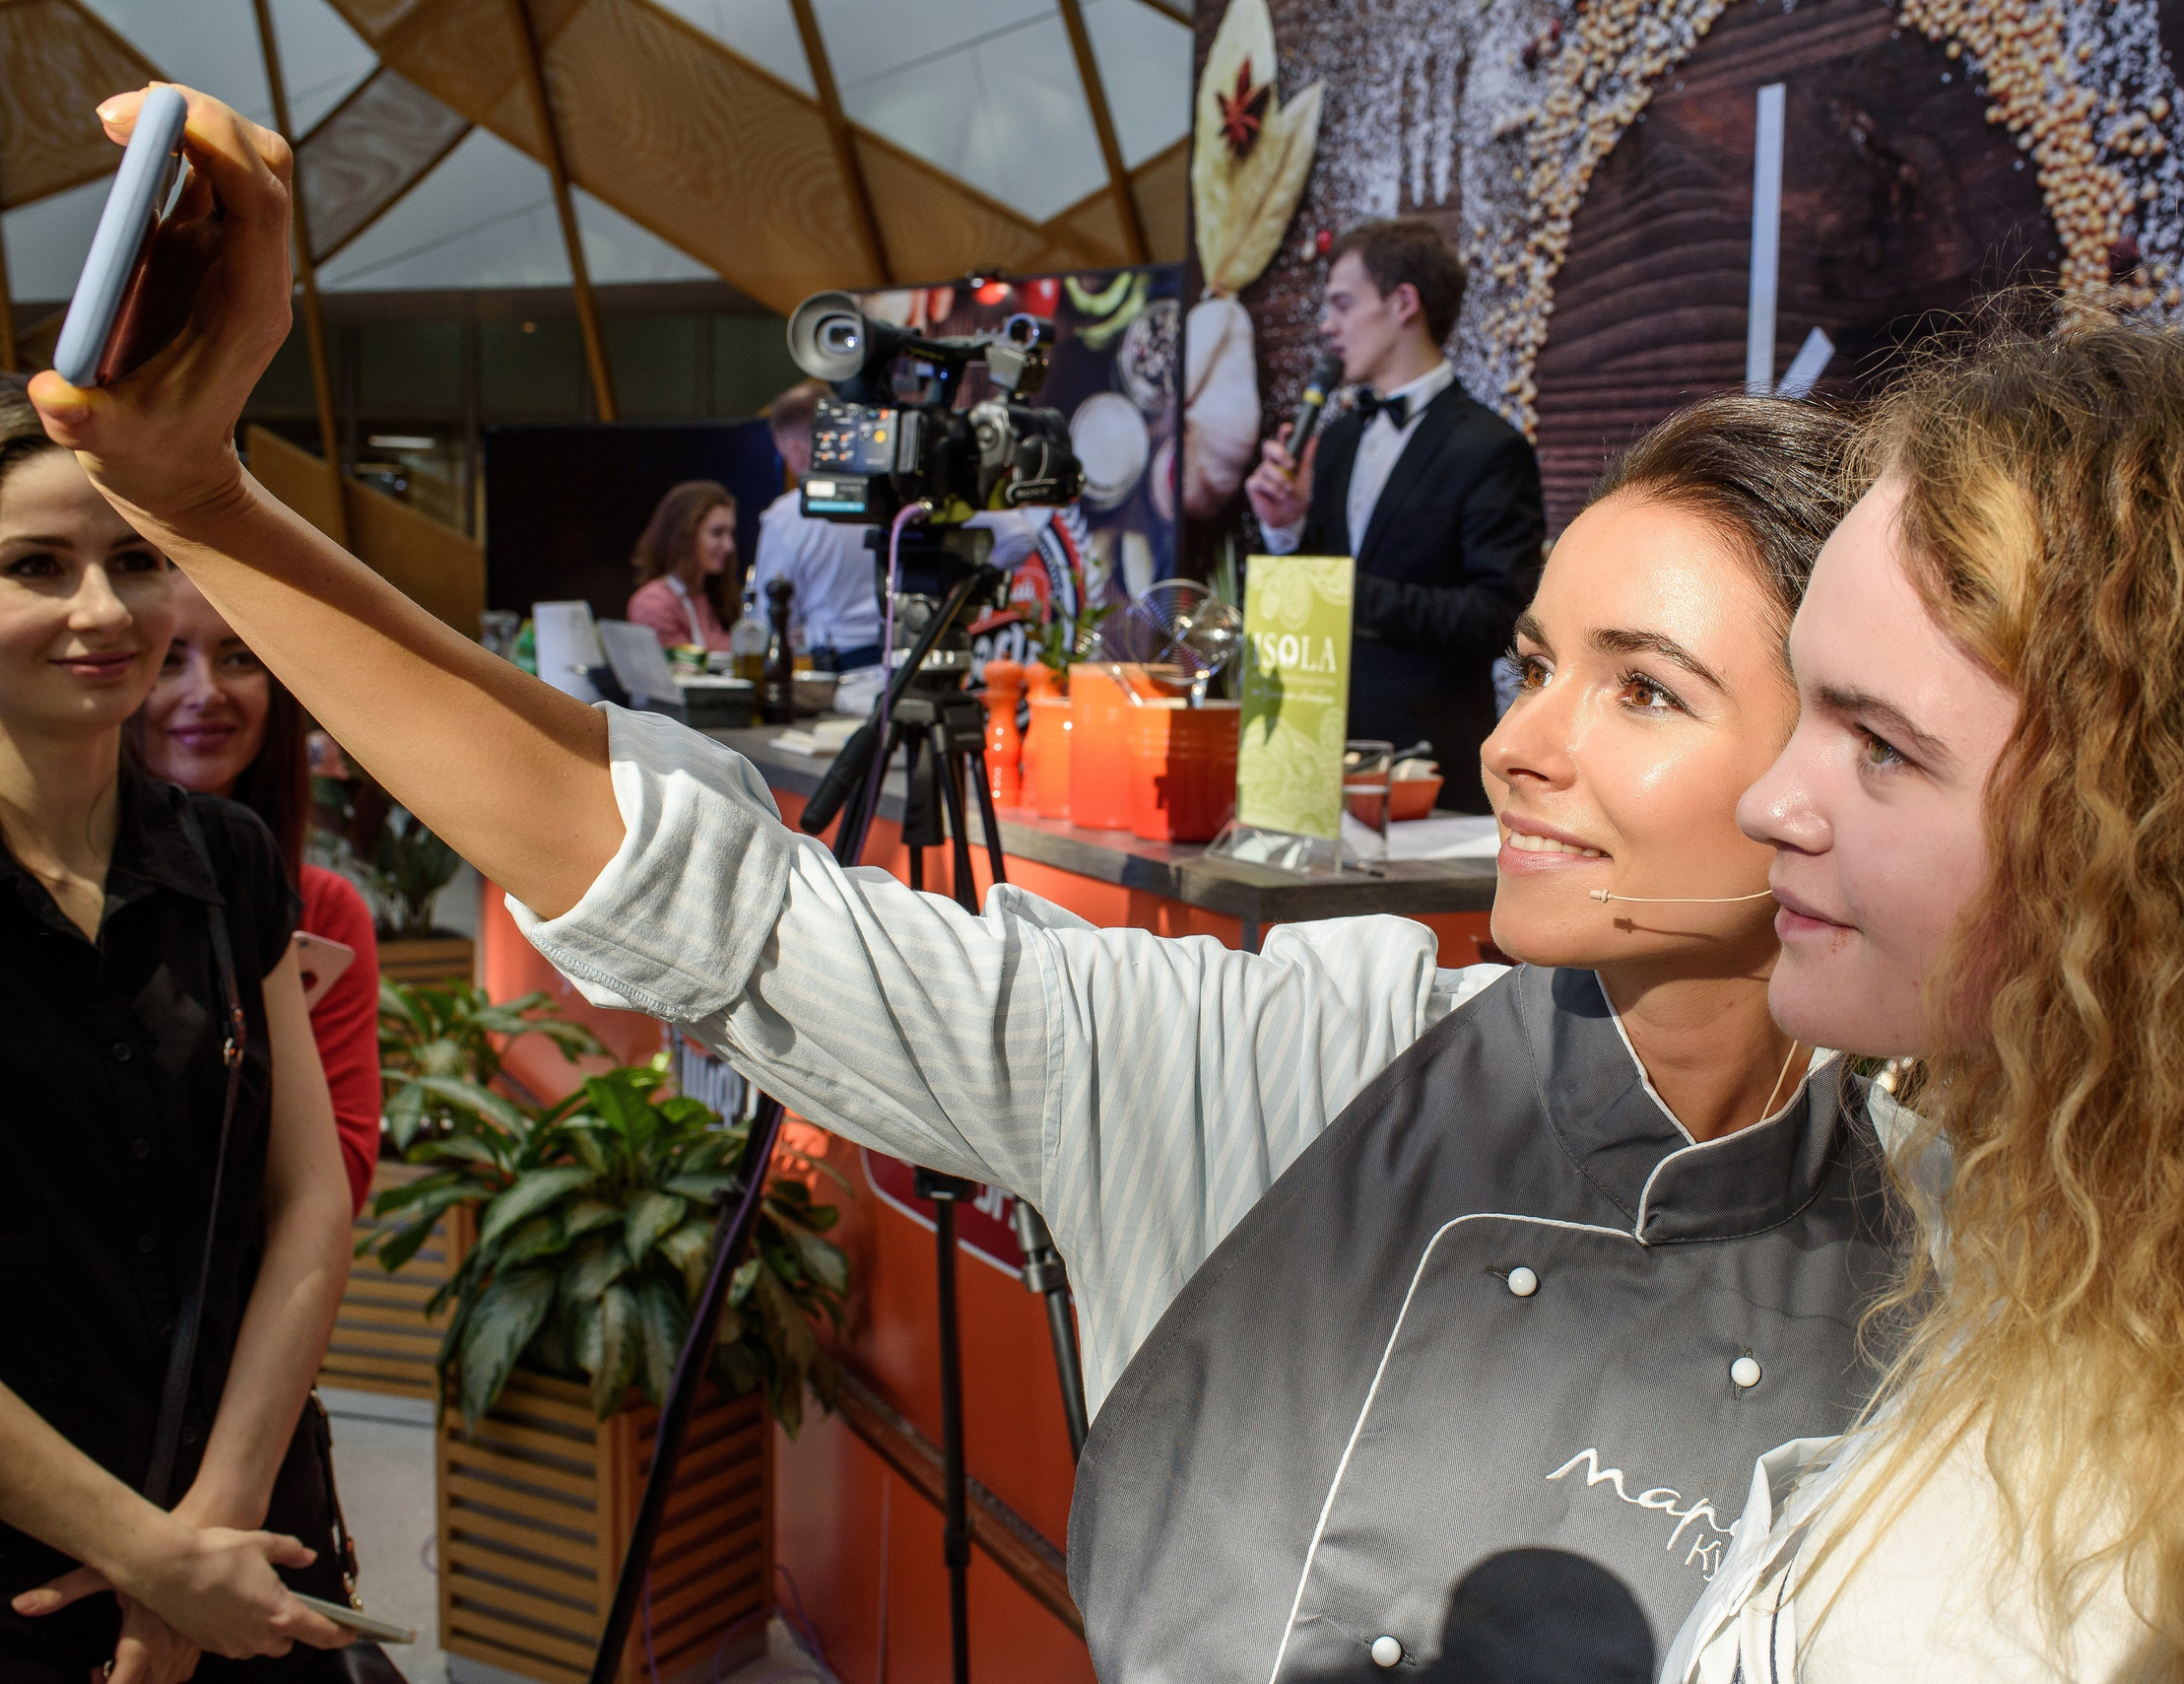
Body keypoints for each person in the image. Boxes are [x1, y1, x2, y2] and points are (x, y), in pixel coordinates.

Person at [38, 88, 1891, 1683]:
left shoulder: (1981, 1237)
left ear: (1851, 762)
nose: (1517, 746)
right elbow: (717, 903)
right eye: (1537, 666)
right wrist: (203, 503)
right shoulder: (1310, 1056)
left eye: (1646, 690)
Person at [1664, 320, 2184, 1682]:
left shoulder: (2116, 1579)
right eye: (1802, 710)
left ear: (2171, 846)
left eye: (1880, 746)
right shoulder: (2149, 1259)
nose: (1772, 800)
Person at [0, 373, 352, 1681]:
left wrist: (209, 1530)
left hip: (250, 1539)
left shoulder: (228, 854)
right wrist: (146, 1557)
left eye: (135, 559)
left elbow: (308, 1196)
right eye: (37, 566)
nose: (103, 609)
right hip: (30, 1568)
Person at [1244, 219, 1547, 814]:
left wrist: (1346, 594)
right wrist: (1284, 528)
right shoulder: (1335, 441)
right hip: (1310, 752)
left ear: (1404, 302)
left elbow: (1500, 618)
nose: (1327, 326)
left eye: (1343, 304)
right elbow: (1304, 605)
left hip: (1425, 766)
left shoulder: (1489, 447)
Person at [133, 572, 383, 1211]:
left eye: (239, 657)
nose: (206, 692)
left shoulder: (325, 909)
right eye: (167, 661)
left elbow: (341, 1175)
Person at [753, 382, 882, 669]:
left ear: (795, 449)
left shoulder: (787, 516)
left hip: (838, 673)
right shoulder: (892, 498)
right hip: (909, 665)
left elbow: (771, 623)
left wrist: (807, 633)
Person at [623, 480, 736, 653]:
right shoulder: (653, 603)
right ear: (684, 536)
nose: (729, 546)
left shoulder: (718, 596)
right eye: (717, 532)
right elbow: (683, 668)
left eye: (730, 533)